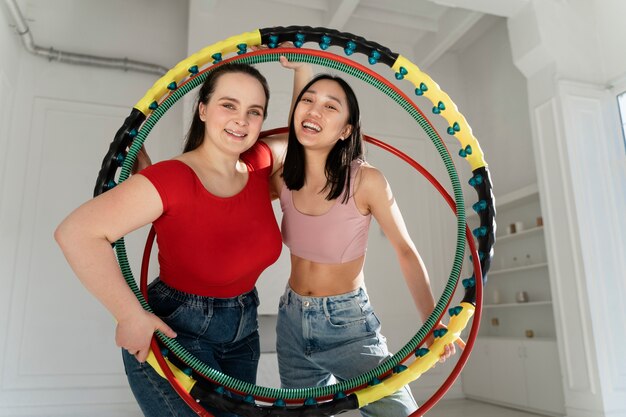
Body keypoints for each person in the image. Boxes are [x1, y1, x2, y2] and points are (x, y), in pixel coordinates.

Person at [54, 63, 283, 417]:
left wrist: (301, 71)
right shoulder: (172, 178)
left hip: (244, 332)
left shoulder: (259, 163)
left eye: (254, 111)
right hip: (178, 331)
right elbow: (76, 233)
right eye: (228, 105)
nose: (242, 119)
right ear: (203, 109)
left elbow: (311, 137)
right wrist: (129, 315)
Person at [270, 68, 456, 417]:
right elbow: (226, 187)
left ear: (346, 130)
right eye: (307, 102)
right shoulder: (283, 178)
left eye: (330, 106)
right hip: (291, 321)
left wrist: (432, 322)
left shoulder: (366, 180)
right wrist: (300, 70)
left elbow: (405, 250)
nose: (314, 111)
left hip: (347, 325)